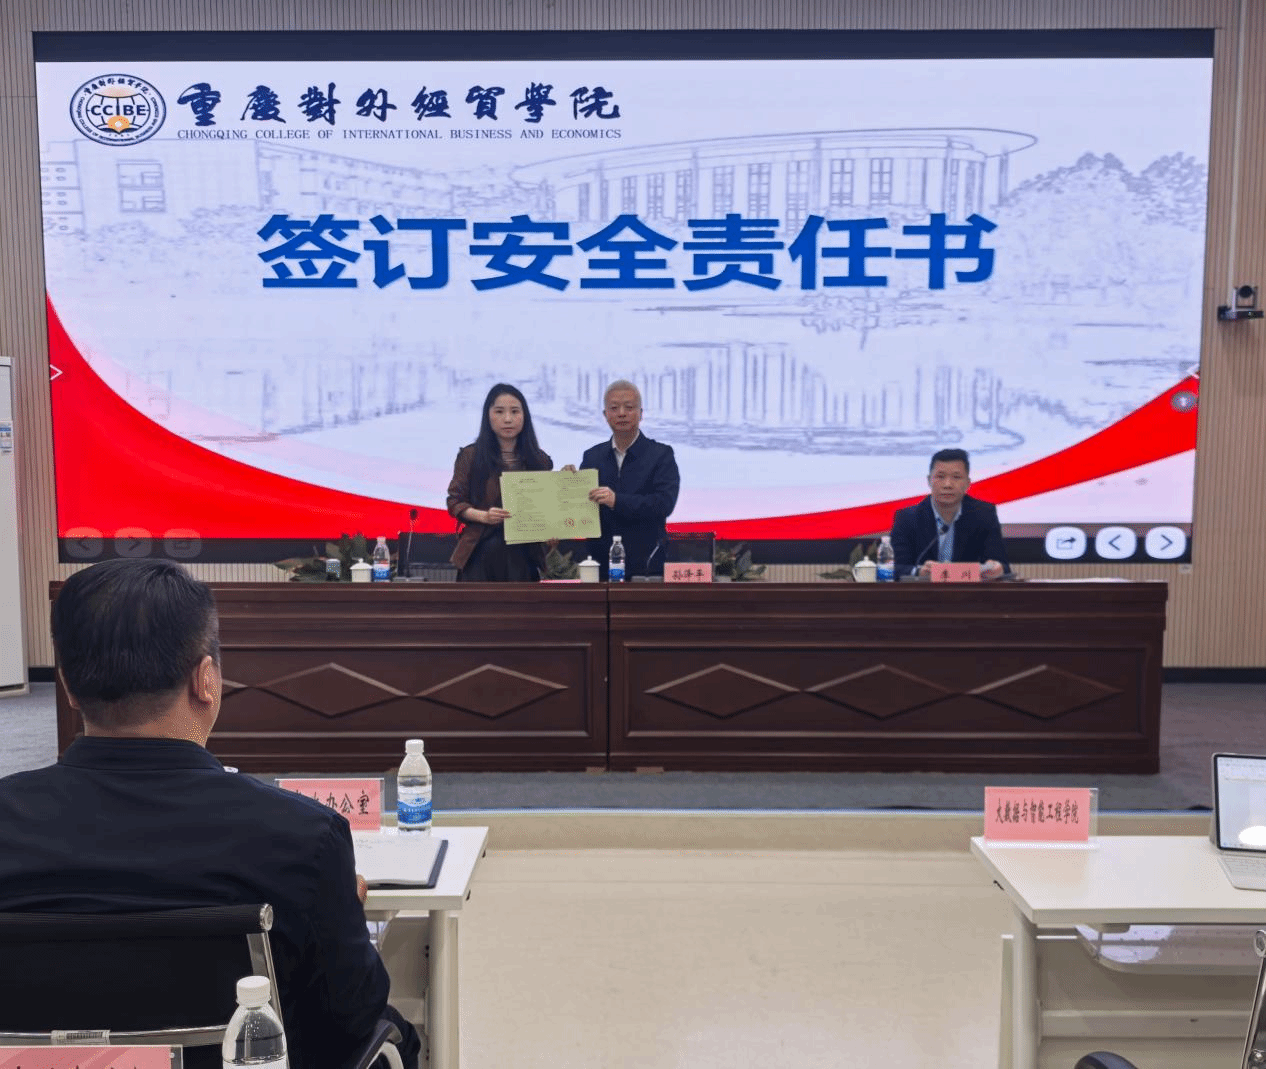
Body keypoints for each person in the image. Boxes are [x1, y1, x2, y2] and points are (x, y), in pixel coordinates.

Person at [0, 558, 420, 1069]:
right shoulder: (302, 837)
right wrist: (338, 910)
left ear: (66, 685)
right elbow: (351, 1016)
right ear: (206, 680)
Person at [447, 383, 553, 581]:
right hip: (480, 553)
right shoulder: (470, 456)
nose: (508, 419)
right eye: (499, 411)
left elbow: (548, 506)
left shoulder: (540, 460)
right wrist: (484, 516)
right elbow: (455, 502)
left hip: (524, 556)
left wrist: (567, 480)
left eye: (515, 411)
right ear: (488, 416)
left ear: (525, 416)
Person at [579, 379, 680, 579]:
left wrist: (617, 501)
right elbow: (582, 506)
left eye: (629, 407)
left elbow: (664, 504)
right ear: (605, 415)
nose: (622, 413)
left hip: (646, 565)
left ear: (641, 413)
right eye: (614, 408)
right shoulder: (592, 456)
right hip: (601, 564)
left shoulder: (661, 455)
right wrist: (568, 484)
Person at [890, 447, 1009, 579]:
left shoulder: (984, 514)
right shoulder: (907, 518)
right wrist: (919, 571)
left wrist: (997, 568)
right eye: (940, 477)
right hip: (924, 590)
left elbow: (1002, 565)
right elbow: (897, 568)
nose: (947, 485)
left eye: (956, 477)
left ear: (967, 483)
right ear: (929, 480)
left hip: (969, 591)